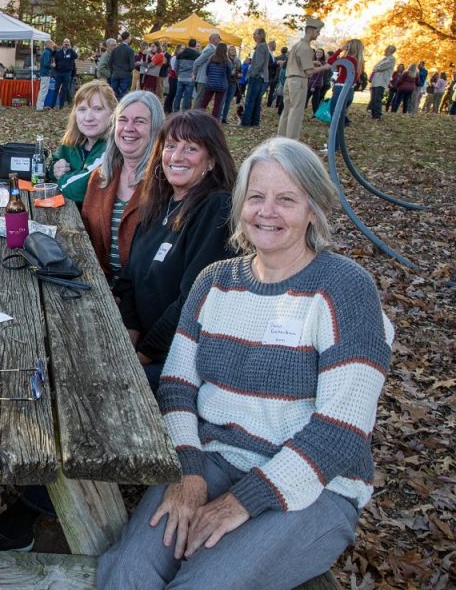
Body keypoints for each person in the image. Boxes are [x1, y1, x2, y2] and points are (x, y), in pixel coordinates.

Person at [97, 138, 394, 590]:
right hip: (211, 458)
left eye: (286, 199)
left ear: (314, 208)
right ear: (240, 207)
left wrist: (244, 500)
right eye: (256, 197)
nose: (267, 211)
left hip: (314, 485)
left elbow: (341, 431)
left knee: (203, 584)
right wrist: (189, 468)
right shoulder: (214, 281)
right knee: (125, 572)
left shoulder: (343, 288)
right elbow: (177, 386)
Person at [114, 110, 237, 393]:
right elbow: (130, 280)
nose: (177, 156)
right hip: (142, 347)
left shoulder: (216, 208)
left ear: (211, 161)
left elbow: (193, 300)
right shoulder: (159, 205)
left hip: (181, 358)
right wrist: (128, 340)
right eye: (171, 146)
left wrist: (140, 357)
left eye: (191, 148)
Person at [82, 90, 164, 287]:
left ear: (156, 129)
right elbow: (85, 238)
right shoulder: (100, 178)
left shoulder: (165, 184)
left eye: (139, 121)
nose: (129, 128)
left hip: (139, 296)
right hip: (98, 286)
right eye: (123, 119)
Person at [49, 80, 113, 205]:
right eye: (82, 109)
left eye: (97, 109)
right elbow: (52, 165)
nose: (88, 117)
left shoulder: (112, 147)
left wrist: (61, 178)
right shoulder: (72, 143)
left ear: (112, 113)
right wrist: (54, 169)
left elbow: (75, 189)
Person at [278, 18, 333, 140]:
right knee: (296, 112)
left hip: (289, 80)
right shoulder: (306, 48)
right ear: (310, 31)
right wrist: (325, 67)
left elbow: (297, 62)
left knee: (286, 111)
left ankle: (281, 138)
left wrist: (313, 62)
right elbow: (308, 71)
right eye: (318, 32)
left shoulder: (297, 45)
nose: (318, 34)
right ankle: (291, 141)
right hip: (299, 81)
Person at [325, 40, 364, 147]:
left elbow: (331, 61)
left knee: (335, 118)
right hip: (349, 91)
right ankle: (336, 144)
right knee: (339, 118)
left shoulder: (348, 59)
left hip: (341, 89)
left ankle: (333, 145)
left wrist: (339, 50)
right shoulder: (358, 61)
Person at [241, 29, 270, 127]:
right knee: (257, 101)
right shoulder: (264, 46)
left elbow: (260, 63)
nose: (253, 36)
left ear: (261, 35)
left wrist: (253, 74)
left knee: (250, 100)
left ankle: (246, 122)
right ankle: (254, 122)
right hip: (261, 77)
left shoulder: (261, 46)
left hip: (256, 77)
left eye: (255, 34)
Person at [197, 43, 230, 117]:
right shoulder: (226, 61)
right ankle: (214, 120)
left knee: (204, 102)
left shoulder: (211, 59)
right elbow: (229, 73)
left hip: (210, 84)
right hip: (221, 85)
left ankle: (199, 117)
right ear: (225, 50)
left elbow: (207, 71)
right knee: (217, 105)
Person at [191, 33, 220, 108]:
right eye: (218, 38)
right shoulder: (210, 49)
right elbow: (197, 62)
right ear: (214, 39)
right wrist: (194, 73)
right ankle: (194, 116)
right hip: (203, 78)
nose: (220, 40)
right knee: (200, 99)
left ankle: (197, 115)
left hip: (204, 78)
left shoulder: (212, 48)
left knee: (202, 99)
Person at [368, 45, 396, 119]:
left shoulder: (391, 59)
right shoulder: (384, 59)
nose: (385, 50)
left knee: (377, 99)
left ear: (390, 51)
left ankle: (377, 115)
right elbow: (374, 67)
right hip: (375, 81)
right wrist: (377, 67)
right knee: (373, 98)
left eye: (387, 49)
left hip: (381, 81)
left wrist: (377, 67)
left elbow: (381, 67)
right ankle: (373, 114)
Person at [172, 40, 200, 112]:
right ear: (194, 45)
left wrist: (179, 75)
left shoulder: (180, 55)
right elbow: (198, 67)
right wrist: (194, 75)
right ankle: (185, 112)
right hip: (190, 78)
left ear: (188, 44)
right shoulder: (197, 55)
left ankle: (175, 110)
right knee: (187, 97)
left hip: (180, 78)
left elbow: (175, 68)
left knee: (178, 95)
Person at [53, 38, 79, 108]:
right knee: (56, 88)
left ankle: (61, 106)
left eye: (68, 43)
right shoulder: (59, 52)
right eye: (65, 43)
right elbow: (55, 60)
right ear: (63, 44)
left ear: (69, 44)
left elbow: (76, 56)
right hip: (59, 73)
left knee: (64, 90)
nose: (66, 44)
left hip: (67, 73)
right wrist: (56, 70)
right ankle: (52, 105)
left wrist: (70, 48)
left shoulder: (71, 52)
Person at [110, 31, 136, 99]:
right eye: (130, 37)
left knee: (114, 94)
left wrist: (113, 71)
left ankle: (114, 107)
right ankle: (121, 108)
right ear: (128, 38)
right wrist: (128, 70)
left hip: (115, 74)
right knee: (124, 95)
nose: (130, 38)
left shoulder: (115, 49)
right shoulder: (130, 50)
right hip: (125, 74)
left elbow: (110, 62)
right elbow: (132, 65)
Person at [306, 47, 330, 114]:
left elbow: (320, 75)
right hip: (309, 83)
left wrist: (313, 86)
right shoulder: (312, 61)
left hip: (316, 84)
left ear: (323, 55)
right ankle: (301, 111)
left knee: (315, 101)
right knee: (305, 98)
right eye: (317, 52)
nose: (319, 53)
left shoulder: (322, 63)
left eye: (320, 53)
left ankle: (315, 114)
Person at [36, 40, 56, 111]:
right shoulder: (47, 53)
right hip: (45, 74)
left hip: (44, 73)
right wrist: (52, 65)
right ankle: (39, 107)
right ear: (49, 45)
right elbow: (46, 64)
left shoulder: (45, 52)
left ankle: (39, 106)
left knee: (42, 90)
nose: (53, 46)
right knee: (43, 90)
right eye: (52, 44)